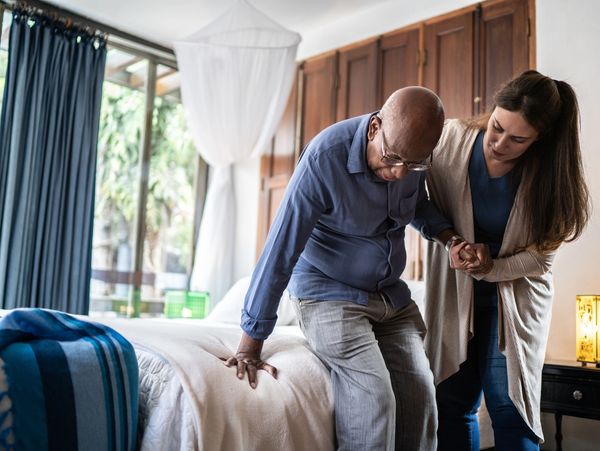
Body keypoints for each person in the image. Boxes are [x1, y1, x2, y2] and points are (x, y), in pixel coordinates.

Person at [223, 86, 449, 450]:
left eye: (413, 165)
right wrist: (251, 342)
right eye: (392, 158)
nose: (398, 172)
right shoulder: (324, 158)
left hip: (391, 300)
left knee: (421, 398)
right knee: (376, 398)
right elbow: (281, 247)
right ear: (374, 127)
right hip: (329, 294)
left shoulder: (410, 156)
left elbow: (418, 205)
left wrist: (450, 236)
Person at [416, 70, 590, 451]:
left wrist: (491, 267)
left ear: (539, 141)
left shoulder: (551, 178)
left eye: (517, 139)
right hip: (455, 291)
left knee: (509, 407)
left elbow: (540, 260)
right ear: (492, 110)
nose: (499, 143)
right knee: (451, 402)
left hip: (515, 298)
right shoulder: (450, 138)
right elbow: (415, 201)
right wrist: (451, 241)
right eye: (497, 127)